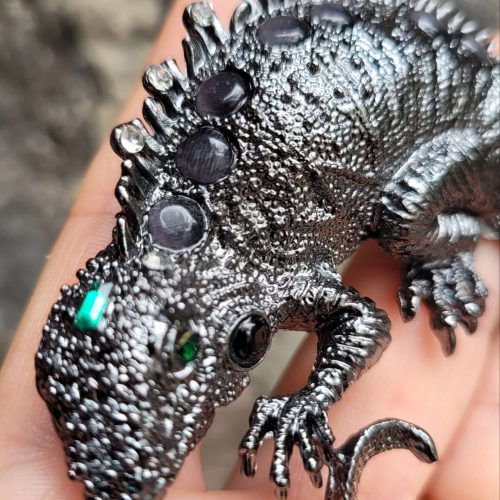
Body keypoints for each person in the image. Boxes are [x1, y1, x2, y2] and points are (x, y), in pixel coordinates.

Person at [0, 1, 498, 498]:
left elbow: (361, 322)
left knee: (405, 216)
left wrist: (312, 398)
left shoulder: (253, 285)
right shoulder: (170, 268)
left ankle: (448, 244)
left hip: (460, 119)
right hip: (378, 73)